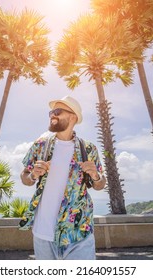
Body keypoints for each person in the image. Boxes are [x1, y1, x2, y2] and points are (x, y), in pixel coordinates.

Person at [19, 95, 106, 260]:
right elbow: (25, 177)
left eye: (57, 111)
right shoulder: (40, 145)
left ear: (73, 117)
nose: (52, 115)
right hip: (43, 235)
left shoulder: (88, 149)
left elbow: (100, 184)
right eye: (51, 112)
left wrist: (95, 175)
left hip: (78, 233)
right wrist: (32, 175)